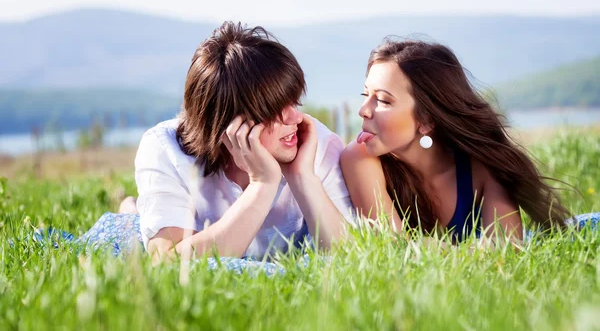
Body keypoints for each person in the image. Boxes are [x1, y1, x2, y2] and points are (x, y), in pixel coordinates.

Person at [133, 22, 355, 263]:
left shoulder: (315, 142)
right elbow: (168, 264)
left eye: (294, 101)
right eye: (274, 110)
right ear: (228, 122)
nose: (295, 117)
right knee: (131, 229)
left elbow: (352, 259)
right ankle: (130, 209)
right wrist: (263, 185)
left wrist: (303, 177)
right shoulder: (164, 148)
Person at [340, 39, 571, 243]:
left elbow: (508, 249)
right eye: (365, 95)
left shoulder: (480, 165)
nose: (363, 110)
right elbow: (393, 246)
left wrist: (436, 249)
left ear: (427, 120)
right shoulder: (360, 158)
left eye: (382, 100)